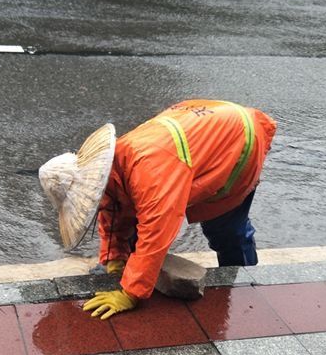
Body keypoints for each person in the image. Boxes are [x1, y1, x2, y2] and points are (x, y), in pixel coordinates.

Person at [39, 99, 277, 320]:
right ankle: (135, 270)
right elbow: (112, 207)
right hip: (201, 126)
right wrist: (114, 258)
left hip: (238, 141)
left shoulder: (150, 174)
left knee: (225, 230)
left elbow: (156, 232)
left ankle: (245, 283)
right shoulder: (114, 164)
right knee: (133, 211)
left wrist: (130, 293)